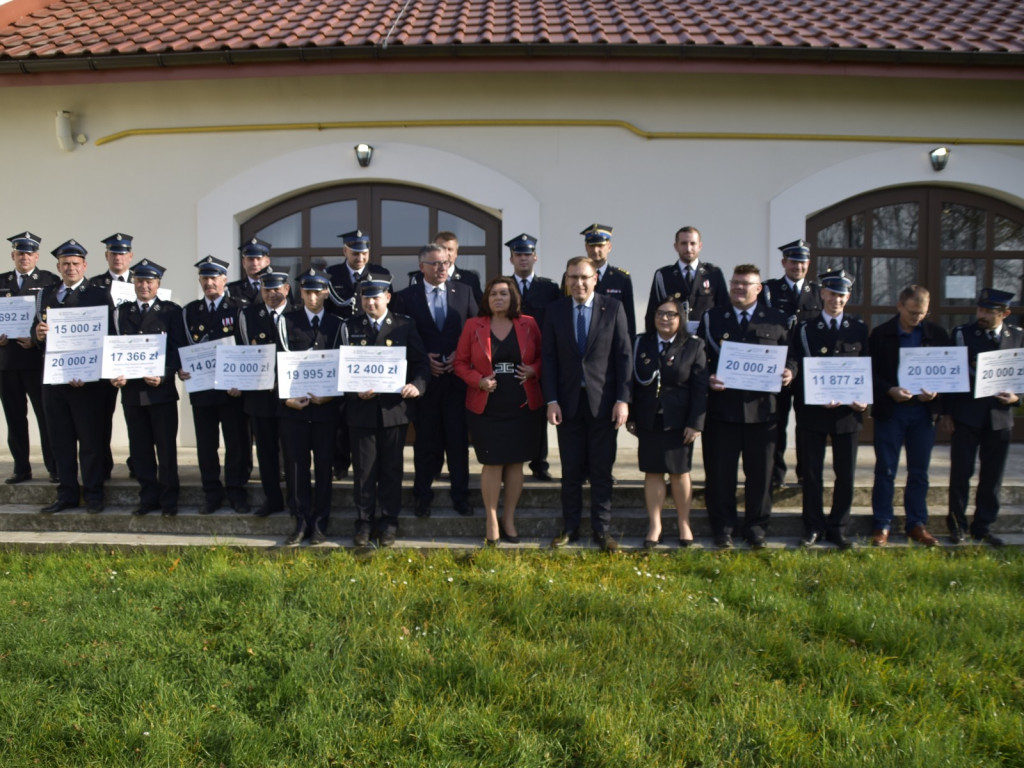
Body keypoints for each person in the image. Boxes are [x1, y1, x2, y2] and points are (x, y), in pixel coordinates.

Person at [698, 264, 792, 549]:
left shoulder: (777, 320)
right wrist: (707, 377)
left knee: (761, 475)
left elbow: (793, 357)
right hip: (722, 410)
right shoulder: (713, 318)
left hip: (763, 412)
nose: (739, 288)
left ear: (758, 288)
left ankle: (756, 528)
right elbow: (698, 357)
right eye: (735, 283)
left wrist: (790, 372)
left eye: (746, 283)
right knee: (720, 474)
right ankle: (723, 527)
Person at [543, 256, 632, 551]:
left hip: (604, 404)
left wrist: (622, 399)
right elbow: (550, 359)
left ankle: (601, 531)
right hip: (567, 404)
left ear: (595, 279)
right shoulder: (555, 311)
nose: (578, 283)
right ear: (566, 280)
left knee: (601, 470)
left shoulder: (613, 308)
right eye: (573, 278)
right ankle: (570, 528)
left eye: (584, 277)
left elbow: (623, 356)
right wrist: (552, 399)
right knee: (570, 470)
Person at [454, 276, 544, 545]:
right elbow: (460, 363)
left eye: (504, 293)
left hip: (522, 405)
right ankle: (491, 519)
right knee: (492, 463)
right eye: (493, 294)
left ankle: (509, 518)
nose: (498, 298)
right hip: (487, 406)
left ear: (513, 297)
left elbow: (543, 356)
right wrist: (478, 381)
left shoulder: (529, 324)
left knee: (516, 463)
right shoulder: (474, 325)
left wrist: (534, 370)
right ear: (486, 299)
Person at [392, 242, 478, 518]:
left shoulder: (464, 292)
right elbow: (397, 336)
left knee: (457, 442)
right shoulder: (406, 297)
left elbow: (476, 330)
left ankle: (460, 495)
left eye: (445, 262)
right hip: (425, 382)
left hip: (456, 379)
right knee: (426, 443)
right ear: (422, 267)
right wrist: (421, 358)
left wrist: (461, 355)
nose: (442, 267)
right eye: (436, 263)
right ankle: (422, 496)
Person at [341, 278, 429, 547]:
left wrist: (417, 385)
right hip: (361, 411)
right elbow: (340, 367)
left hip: (394, 412)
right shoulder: (350, 327)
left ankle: (389, 522)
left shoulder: (404, 325)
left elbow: (421, 364)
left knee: (391, 469)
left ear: (387, 297)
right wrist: (353, 390)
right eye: (366, 298)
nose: (370, 302)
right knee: (364, 471)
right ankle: (364, 523)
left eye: (376, 297)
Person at [785, 269, 868, 550]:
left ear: (848, 296)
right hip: (814, 411)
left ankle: (838, 527)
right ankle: (813, 526)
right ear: (822, 294)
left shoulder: (859, 328)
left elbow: (868, 367)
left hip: (848, 414)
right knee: (812, 473)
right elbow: (795, 364)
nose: (836, 299)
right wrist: (812, 392)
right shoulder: (806, 329)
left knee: (845, 474)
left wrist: (864, 400)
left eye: (841, 294)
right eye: (832, 293)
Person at [32, 239, 111, 514]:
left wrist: (88, 371)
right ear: (58, 267)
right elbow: (36, 331)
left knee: (89, 441)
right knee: (61, 440)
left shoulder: (100, 295)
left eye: (76, 263)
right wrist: (38, 334)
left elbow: (108, 337)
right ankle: (66, 494)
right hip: (55, 381)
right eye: (65, 264)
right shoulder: (46, 294)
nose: (71, 268)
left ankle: (93, 494)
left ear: (85, 266)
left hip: (87, 383)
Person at [869, 284, 949, 547]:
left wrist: (935, 395)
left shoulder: (937, 334)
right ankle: (882, 524)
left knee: (919, 472)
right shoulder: (881, 335)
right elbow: (870, 374)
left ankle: (917, 524)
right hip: (891, 412)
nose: (917, 317)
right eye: (913, 312)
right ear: (899, 306)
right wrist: (889, 390)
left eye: (922, 313)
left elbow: (947, 373)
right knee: (886, 470)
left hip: (923, 413)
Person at [626, 298, 707, 549]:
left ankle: (684, 523)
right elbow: (630, 381)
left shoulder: (694, 345)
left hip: (679, 420)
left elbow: (700, 386)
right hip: (649, 418)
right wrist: (630, 416)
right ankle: (656, 525)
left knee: (679, 472)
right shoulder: (641, 342)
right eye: (660, 314)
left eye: (671, 315)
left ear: (680, 318)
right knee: (652, 471)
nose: (664, 319)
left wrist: (695, 423)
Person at [945, 288, 1023, 547]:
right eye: (980, 309)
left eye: (989, 312)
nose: (982, 315)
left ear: (1005, 314)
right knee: (961, 473)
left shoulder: (1017, 337)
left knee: (992, 476)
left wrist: (1017, 399)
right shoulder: (962, 334)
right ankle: (957, 526)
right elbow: (951, 375)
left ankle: (983, 526)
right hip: (968, 415)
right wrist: (947, 412)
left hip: (1000, 418)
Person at [109, 259, 184, 517]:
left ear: (158, 284)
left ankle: (169, 500)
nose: (144, 285)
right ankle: (148, 497)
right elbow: (113, 347)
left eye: (149, 281)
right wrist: (113, 374)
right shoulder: (121, 312)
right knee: (140, 450)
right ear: (133, 283)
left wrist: (163, 375)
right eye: (139, 281)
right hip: (132, 393)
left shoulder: (171, 311)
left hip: (161, 392)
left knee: (166, 450)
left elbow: (177, 350)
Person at [178, 255, 251, 515]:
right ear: (200, 280)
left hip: (231, 391)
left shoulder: (239, 309)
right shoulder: (189, 311)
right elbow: (181, 347)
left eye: (214, 277)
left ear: (224, 280)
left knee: (236, 444)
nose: (209, 282)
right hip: (202, 390)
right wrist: (180, 369)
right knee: (206, 445)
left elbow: (246, 348)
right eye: (204, 278)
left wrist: (241, 381)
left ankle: (236, 491)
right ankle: (211, 492)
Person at [277, 269, 343, 546]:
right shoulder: (285, 321)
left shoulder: (338, 324)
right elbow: (277, 362)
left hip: (326, 410)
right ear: (300, 293)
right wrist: (285, 399)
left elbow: (343, 366)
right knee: (296, 468)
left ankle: (320, 522)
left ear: (326, 292)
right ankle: (300, 520)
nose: (312, 297)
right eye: (307, 292)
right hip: (294, 410)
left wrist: (332, 396)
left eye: (318, 291)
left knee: (325, 467)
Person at [324, 229, 390, 480]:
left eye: (363, 252)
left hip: (372, 349)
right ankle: (340, 463)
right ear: (345, 251)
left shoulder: (381, 274)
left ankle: (372, 465)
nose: (360, 257)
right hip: (342, 349)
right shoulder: (332, 275)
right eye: (354, 252)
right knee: (340, 413)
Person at [761, 238, 823, 491]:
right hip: (778, 367)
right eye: (794, 261)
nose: (798, 266)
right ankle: (777, 473)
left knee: (808, 426)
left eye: (803, 262)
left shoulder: (818, 292)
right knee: (776, 424)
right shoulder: (768, 291)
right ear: (784, 262)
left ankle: (804, 473)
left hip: (808, 368)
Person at [0, 231, 59, 484]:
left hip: (36, 361)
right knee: (14, 418)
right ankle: (21, 468)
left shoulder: (49, 281)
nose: (24, 257)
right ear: (13, 255)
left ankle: (54, 467)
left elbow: (57, 318)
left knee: (46, 417)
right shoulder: (1, 281)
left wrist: (35, 338)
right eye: (20, 253)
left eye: (29, 253)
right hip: (7, 362)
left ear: (36, 256)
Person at [235, 268, 294, 517]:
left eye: (277, 288)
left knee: (293, 451)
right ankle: (272, 499)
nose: (272, 293)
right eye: (267, 288)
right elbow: (240, 352)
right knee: (267, 452)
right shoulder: (248, 316)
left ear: (287, 289)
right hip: (259, 397)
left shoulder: (298, 315)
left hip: (291, 396)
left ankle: (295, 498)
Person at [506, 232, 561, 481]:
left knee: (538, 413)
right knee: (509, 413)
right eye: (519, 255)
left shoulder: (549, 288)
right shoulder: (502, 287)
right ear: (511, 259)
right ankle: (510, 461)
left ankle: (540, 463)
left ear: (535, 257)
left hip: (538, 359)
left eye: (527, 254)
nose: (523, 259)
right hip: (508, 358)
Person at [89, 232, 136, 480]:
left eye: (122, 253)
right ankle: (103, 464)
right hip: (104, 359)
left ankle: (137, 462)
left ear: (130, 256)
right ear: (106, 256)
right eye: (113, 253)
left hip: (133, 359)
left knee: (136, 416)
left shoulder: (143, 281)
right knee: (101, 416)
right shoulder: (95, 285)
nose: (118, 257)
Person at [645, 226, 729, 333]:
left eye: (693, 243)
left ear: (700, 246)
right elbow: (653, 312)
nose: (688, 248)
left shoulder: (713, 273)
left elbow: (724, 309)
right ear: (676, 246)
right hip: (674, 339)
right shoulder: (663, 275)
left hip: (705, 340)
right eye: (684, 243)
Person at [569, 224, 636, 339]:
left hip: (611, 343)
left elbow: (629, 319)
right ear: (586, 247)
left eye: (600, 245)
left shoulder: (621, 278)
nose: (595, 250)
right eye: (591, 245)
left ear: (609, 247)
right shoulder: (572, 276)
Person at [408, 231, 483, 302]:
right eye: (442, 248)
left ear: (456, 253)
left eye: (450, 249)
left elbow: (478, 310)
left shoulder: (469, 279)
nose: (446, 253)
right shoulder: (419, 278)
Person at [226, 237, 271, 305]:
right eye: (250, 259)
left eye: (259, 259)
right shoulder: (232, 289)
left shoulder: (277, 288)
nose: (255, 263)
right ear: (244, 263)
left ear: (267, 261)